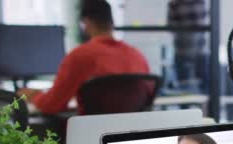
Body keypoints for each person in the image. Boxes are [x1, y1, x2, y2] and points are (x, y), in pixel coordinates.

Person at [17, 0, 150, 115]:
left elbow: (51, 105)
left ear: (86, 23)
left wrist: (34, 95)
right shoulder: (137, 56)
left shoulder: (81, 56)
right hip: (127, 135)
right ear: (112, 22)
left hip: (89, 133)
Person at [167, 0, 210, 93]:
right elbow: (171, 27)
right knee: (183, 86)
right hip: (182, 50)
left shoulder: (199, 2)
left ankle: (205, 106)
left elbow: (202, 24)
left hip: (198, 49)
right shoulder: (174, 4)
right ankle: (186, 106)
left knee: (205, 86)